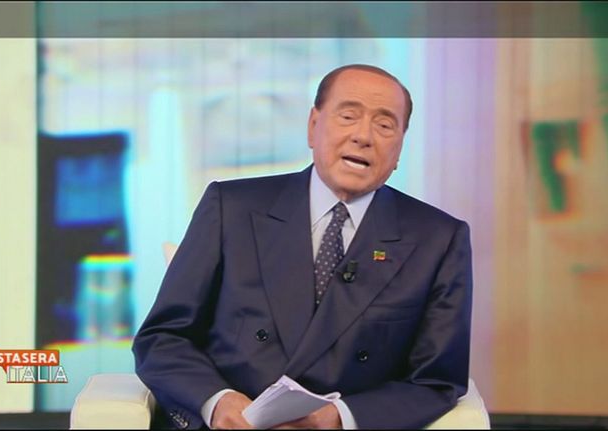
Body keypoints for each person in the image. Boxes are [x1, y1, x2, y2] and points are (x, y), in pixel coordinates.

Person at [133, 64, 473, 429]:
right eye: (348, 116)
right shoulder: (231, 207)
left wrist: (339, 418)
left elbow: (436, 381)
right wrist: (218, 402)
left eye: (385, 125)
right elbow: (163, 339)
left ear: (400, 146)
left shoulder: (438, 239)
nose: (363, 136)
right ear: (313, 125)